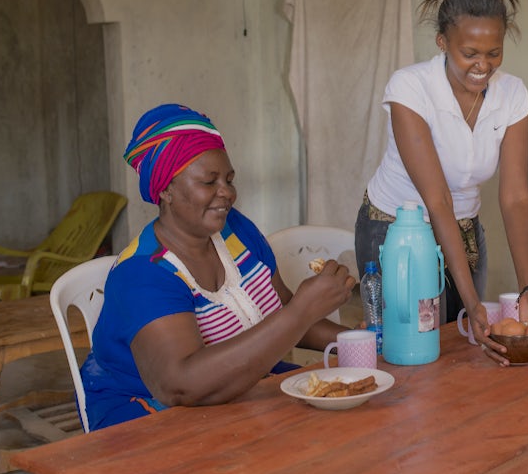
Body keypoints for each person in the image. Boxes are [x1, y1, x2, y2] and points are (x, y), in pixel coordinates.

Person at [81, 104, 356, 430]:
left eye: (229, 179)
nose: (227, 193)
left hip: (234, 388)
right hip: (148, 416)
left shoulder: (235, 230)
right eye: (209, 182)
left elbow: (280, 309)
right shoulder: (143, 274)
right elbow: (180, 385)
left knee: (346, 419)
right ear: (166, 189)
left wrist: (360, 340)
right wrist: (302, 311)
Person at [355, 0, 528, 365]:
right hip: (393, 230)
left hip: (464, 228)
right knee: (408, 347)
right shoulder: (410, 88)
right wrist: (471, 302)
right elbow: (437, 201)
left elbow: (515, 195)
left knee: (461, 345)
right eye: (470, 53)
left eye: (494, 52)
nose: (483, 66)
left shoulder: (513, 94)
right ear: (442, 43)